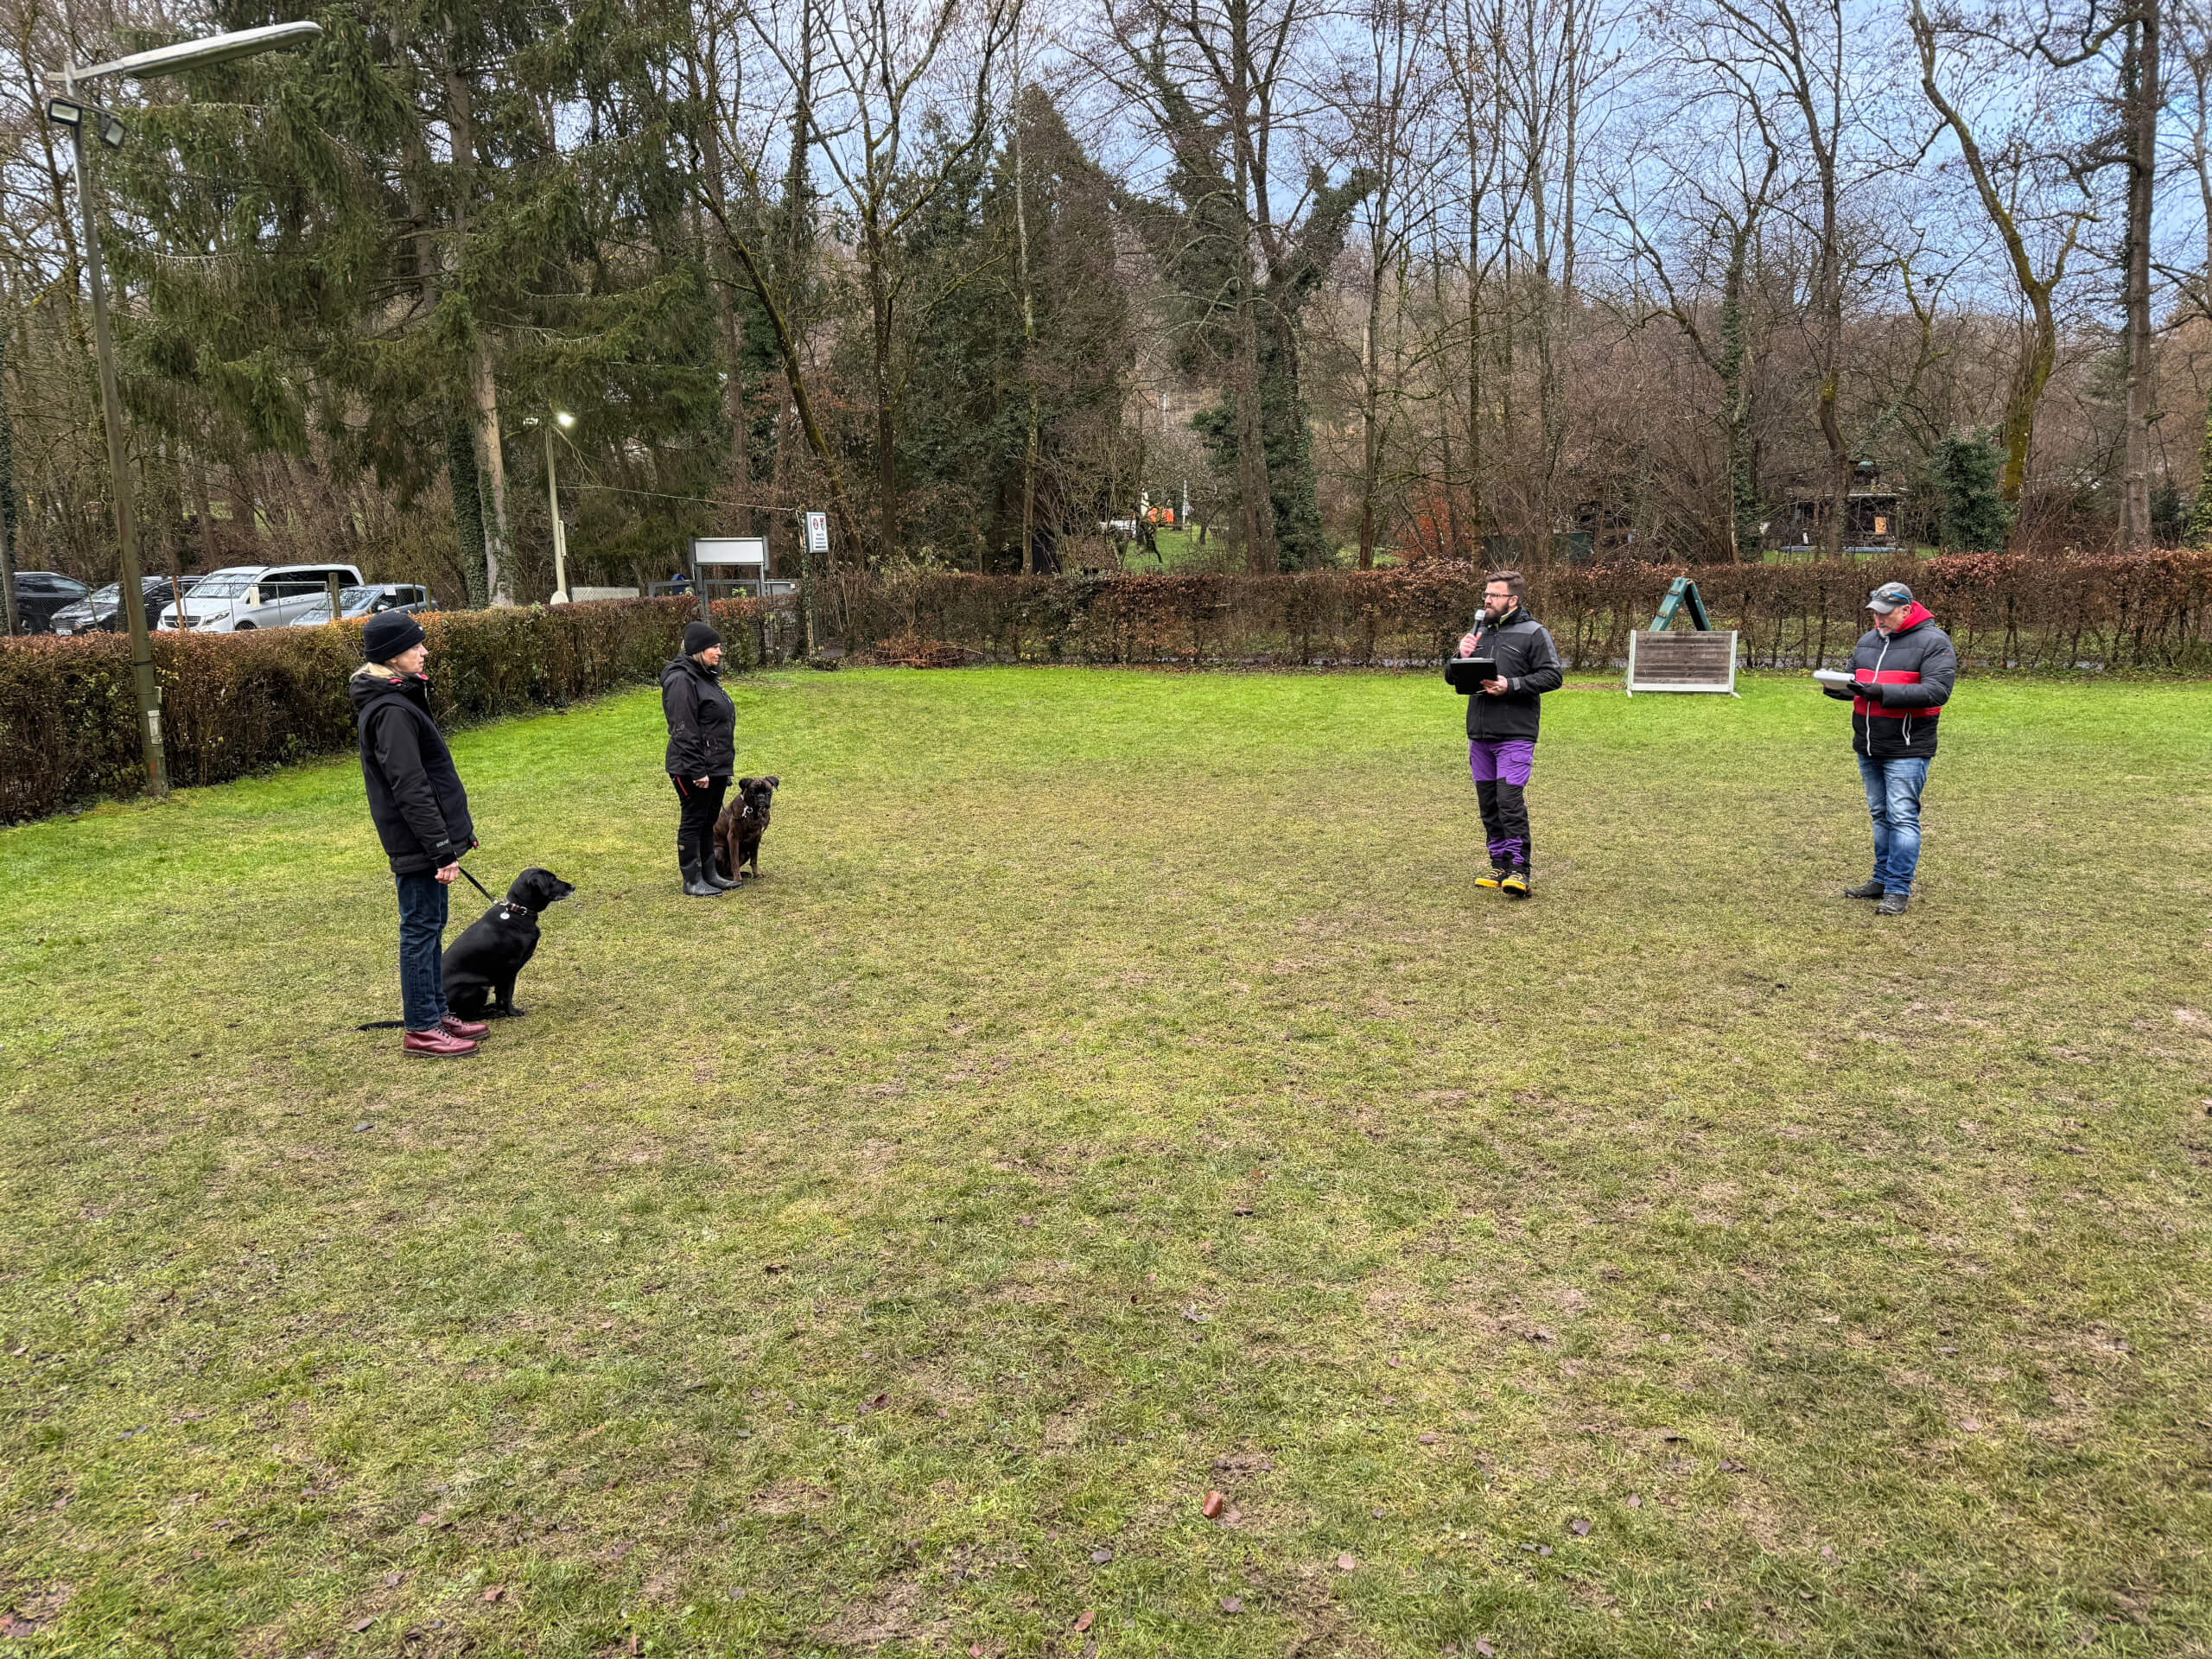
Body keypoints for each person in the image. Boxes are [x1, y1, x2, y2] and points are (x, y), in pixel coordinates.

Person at [351, 609, 486, 1057]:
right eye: (415, 646)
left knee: (432, 925)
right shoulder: (390, 709)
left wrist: (454, 836)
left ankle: (436, 1010)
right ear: (392, 656)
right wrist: (440, 849)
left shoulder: (399, 697)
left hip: (428, 839)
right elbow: (409, 786)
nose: (424, 651)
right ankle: (422, 1027)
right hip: (417, 842)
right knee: (420, 929)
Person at [1823, 581, 1955, 916]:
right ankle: (1881, 879)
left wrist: (1881, 692)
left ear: (1907, 610)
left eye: (1885, 613)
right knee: (1880, 815)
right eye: (1875, 614)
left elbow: (1937, 692)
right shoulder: (1867, 641)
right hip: (1869, 744)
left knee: (1902, 817)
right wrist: (1836, 688)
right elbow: (1857, 683)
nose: (1878, 620)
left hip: (1908, 747)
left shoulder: (1934, 642)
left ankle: (1898, 888)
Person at [1455, 570, 1564, 897]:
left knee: (1509, 802)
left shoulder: (1534, 633)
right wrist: (1460, 657)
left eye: (1495, 595)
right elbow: (1452, 677)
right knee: (1489, 804)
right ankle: (1499, 865)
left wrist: (1511, 685)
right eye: (1486, 594)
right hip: (1480, 734)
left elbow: (1552, 676)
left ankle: (1519, 871)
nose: (1487, 600)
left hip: (1515, 734)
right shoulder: (1479, 632)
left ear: (1513, 600)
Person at [663, 619, 737, 897]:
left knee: (708, 820)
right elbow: (683, 728)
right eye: (713, 647)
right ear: (697, 649)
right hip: (690, 767)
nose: (719, 652)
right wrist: (697, 770)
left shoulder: (706, 676)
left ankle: (711, 874)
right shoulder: (681, 680)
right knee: (694, 820)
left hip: (714, 766)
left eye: (719, 647)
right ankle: (692, 879)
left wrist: (720, 768)